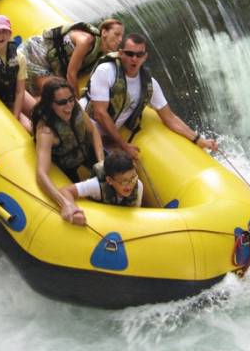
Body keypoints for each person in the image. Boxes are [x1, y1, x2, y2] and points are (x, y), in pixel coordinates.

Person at [82, 33, 218, 161]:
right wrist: (124, 145)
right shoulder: (106, 71)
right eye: (130, 54)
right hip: (84, 129)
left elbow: (170, 118)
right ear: (121, 53)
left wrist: (198, 140)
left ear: (145, 57)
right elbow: (100, 114)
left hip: (108, 137)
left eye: (139, 54)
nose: (134, 59)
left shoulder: (149, 84)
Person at [33, 78, 105, 226]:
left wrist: (101, 161)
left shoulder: (75, 107)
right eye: (62, 102)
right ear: (51, 104)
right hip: (67, 167)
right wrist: (65, 203)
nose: (69, 106)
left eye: (71, 99)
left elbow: (93, 131)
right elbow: (41, 174)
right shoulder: (46, 131)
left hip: (86, 153)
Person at [21, 18, 124, 95]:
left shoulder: (101, 53)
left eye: (122, 36)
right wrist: (77, 101)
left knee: (55, 96)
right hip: (36, 54)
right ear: (104, 33)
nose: (120, 40)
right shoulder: (85, 41)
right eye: (117, 34)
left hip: (48, 66)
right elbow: (71, 75)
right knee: (56, 95)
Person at [59, 150, 144, 216]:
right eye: (124, 181)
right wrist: (73, 210)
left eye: (133, 177)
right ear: (110, 180)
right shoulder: (96, 186)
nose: (130, 185)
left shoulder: (138, 185)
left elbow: (134, 212)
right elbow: (65, 190)